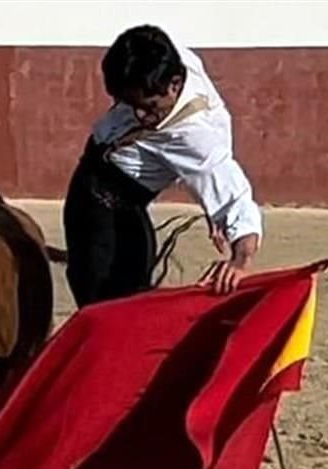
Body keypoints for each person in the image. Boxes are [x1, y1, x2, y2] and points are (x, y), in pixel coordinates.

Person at [62, 24, 264, 308]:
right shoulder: (172, 61)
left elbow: (234, 195)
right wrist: (211, 206)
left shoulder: (192, 136)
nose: (139, 114)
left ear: (175, 84)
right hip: (99, 201)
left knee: (105, 306)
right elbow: (219, 125)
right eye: (129, 103)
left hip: (108, 204)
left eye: (149, 106)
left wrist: (240, 261)